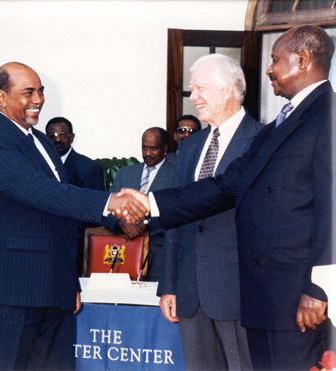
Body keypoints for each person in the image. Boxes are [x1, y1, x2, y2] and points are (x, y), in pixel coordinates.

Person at [119, 25, 335, 370]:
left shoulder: (328, 116)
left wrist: (321, 288)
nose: (268, 69)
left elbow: (332, 210)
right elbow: (225, 185)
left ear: (303, 59)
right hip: (267, 298)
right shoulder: (280, 125)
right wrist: (151, 204)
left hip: (295, 297)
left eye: (276, 60)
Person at [0, 61, 146, 370]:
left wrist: (69, 283)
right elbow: (37, 190)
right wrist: (110, 203)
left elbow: (60, 211)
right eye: (28, 92)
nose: (38, 99)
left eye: (40, 91)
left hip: (51, 290)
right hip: (8, 292)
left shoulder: (41, 142)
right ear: (2, 97)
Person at [158, 53, 263, 370]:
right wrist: (169, 285)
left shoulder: (262, 140)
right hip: (190, 292)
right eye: (192, 89)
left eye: (201, 88)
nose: (194, 97)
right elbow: (176, 215)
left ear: (229, 89)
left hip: (240, 291)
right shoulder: (190, 146)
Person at [106, 127, 175, 281]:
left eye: (153, 148)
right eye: (144, 148)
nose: (148, 154)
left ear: (165, 148)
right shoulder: (124, 173)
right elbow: (106, 207)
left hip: (157, 253)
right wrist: (120, 223)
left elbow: (176, 211)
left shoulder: (176, 175)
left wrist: (146, 223)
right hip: (122, 250)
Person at [46, 116, 105, 274]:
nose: (57, 139)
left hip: (76, 245)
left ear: (71, 138)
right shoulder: (39, 168)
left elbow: (94, 212)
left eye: (62, 134)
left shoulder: (88, 168)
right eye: (52, 136)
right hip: (45, 244)